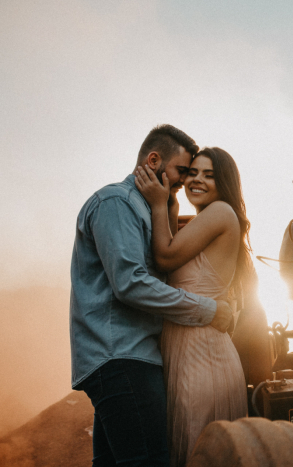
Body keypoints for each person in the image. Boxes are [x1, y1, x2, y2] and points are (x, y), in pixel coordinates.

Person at [69, 125, 234, 467]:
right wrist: (208, 309)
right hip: (122, 355)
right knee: (149, 460)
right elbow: (131, 283)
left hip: (126, 356)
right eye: (182, 172)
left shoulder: (143, 209)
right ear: (154, 159)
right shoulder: (117, 202)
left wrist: (167, 209)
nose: (182, 182)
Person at [134, 146, 251, 467]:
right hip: (188, 346)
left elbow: (165, 256)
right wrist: (170, 201)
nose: (197, 180)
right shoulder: (204, 219)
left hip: (202, 353)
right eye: (192, 173)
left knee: (196, 447)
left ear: (224, 182)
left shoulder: (220, 212)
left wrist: (158, 203)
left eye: (209, 175)